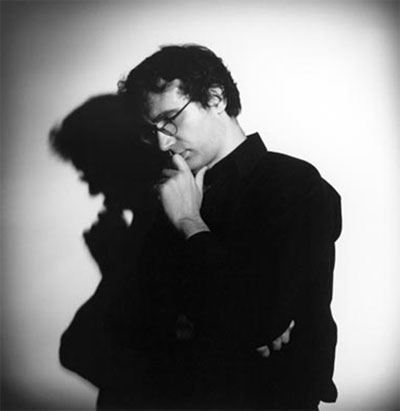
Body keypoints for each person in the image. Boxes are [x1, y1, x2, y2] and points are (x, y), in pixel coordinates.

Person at [114, 43, 342, 410]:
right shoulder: (167, 195)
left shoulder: (294, 183)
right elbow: (143, 327)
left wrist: (189, 222)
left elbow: (258, 319)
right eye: (151, 129)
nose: (161, 141)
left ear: (215, 98)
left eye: (170, 119)